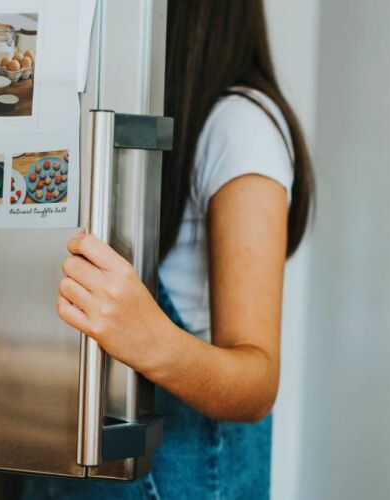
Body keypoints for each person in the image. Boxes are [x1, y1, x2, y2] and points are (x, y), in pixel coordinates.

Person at [24, 0, 313, 498]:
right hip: (63, 462)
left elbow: (257, 382)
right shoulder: (121, 106)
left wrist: (147, 338)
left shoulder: (241, 125)